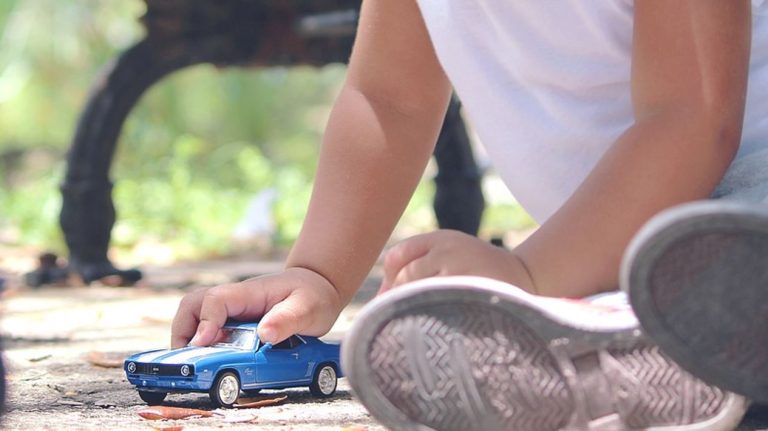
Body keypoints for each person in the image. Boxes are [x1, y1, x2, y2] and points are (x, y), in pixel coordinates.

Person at [171, 0, 768, 429]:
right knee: (646, 280)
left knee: (727, 243)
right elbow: (388, 99)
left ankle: (661, 342)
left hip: (745, 192)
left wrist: (529, 275)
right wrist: (318, 275)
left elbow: (691, 115)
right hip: (620, 249)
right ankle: (628, 353)